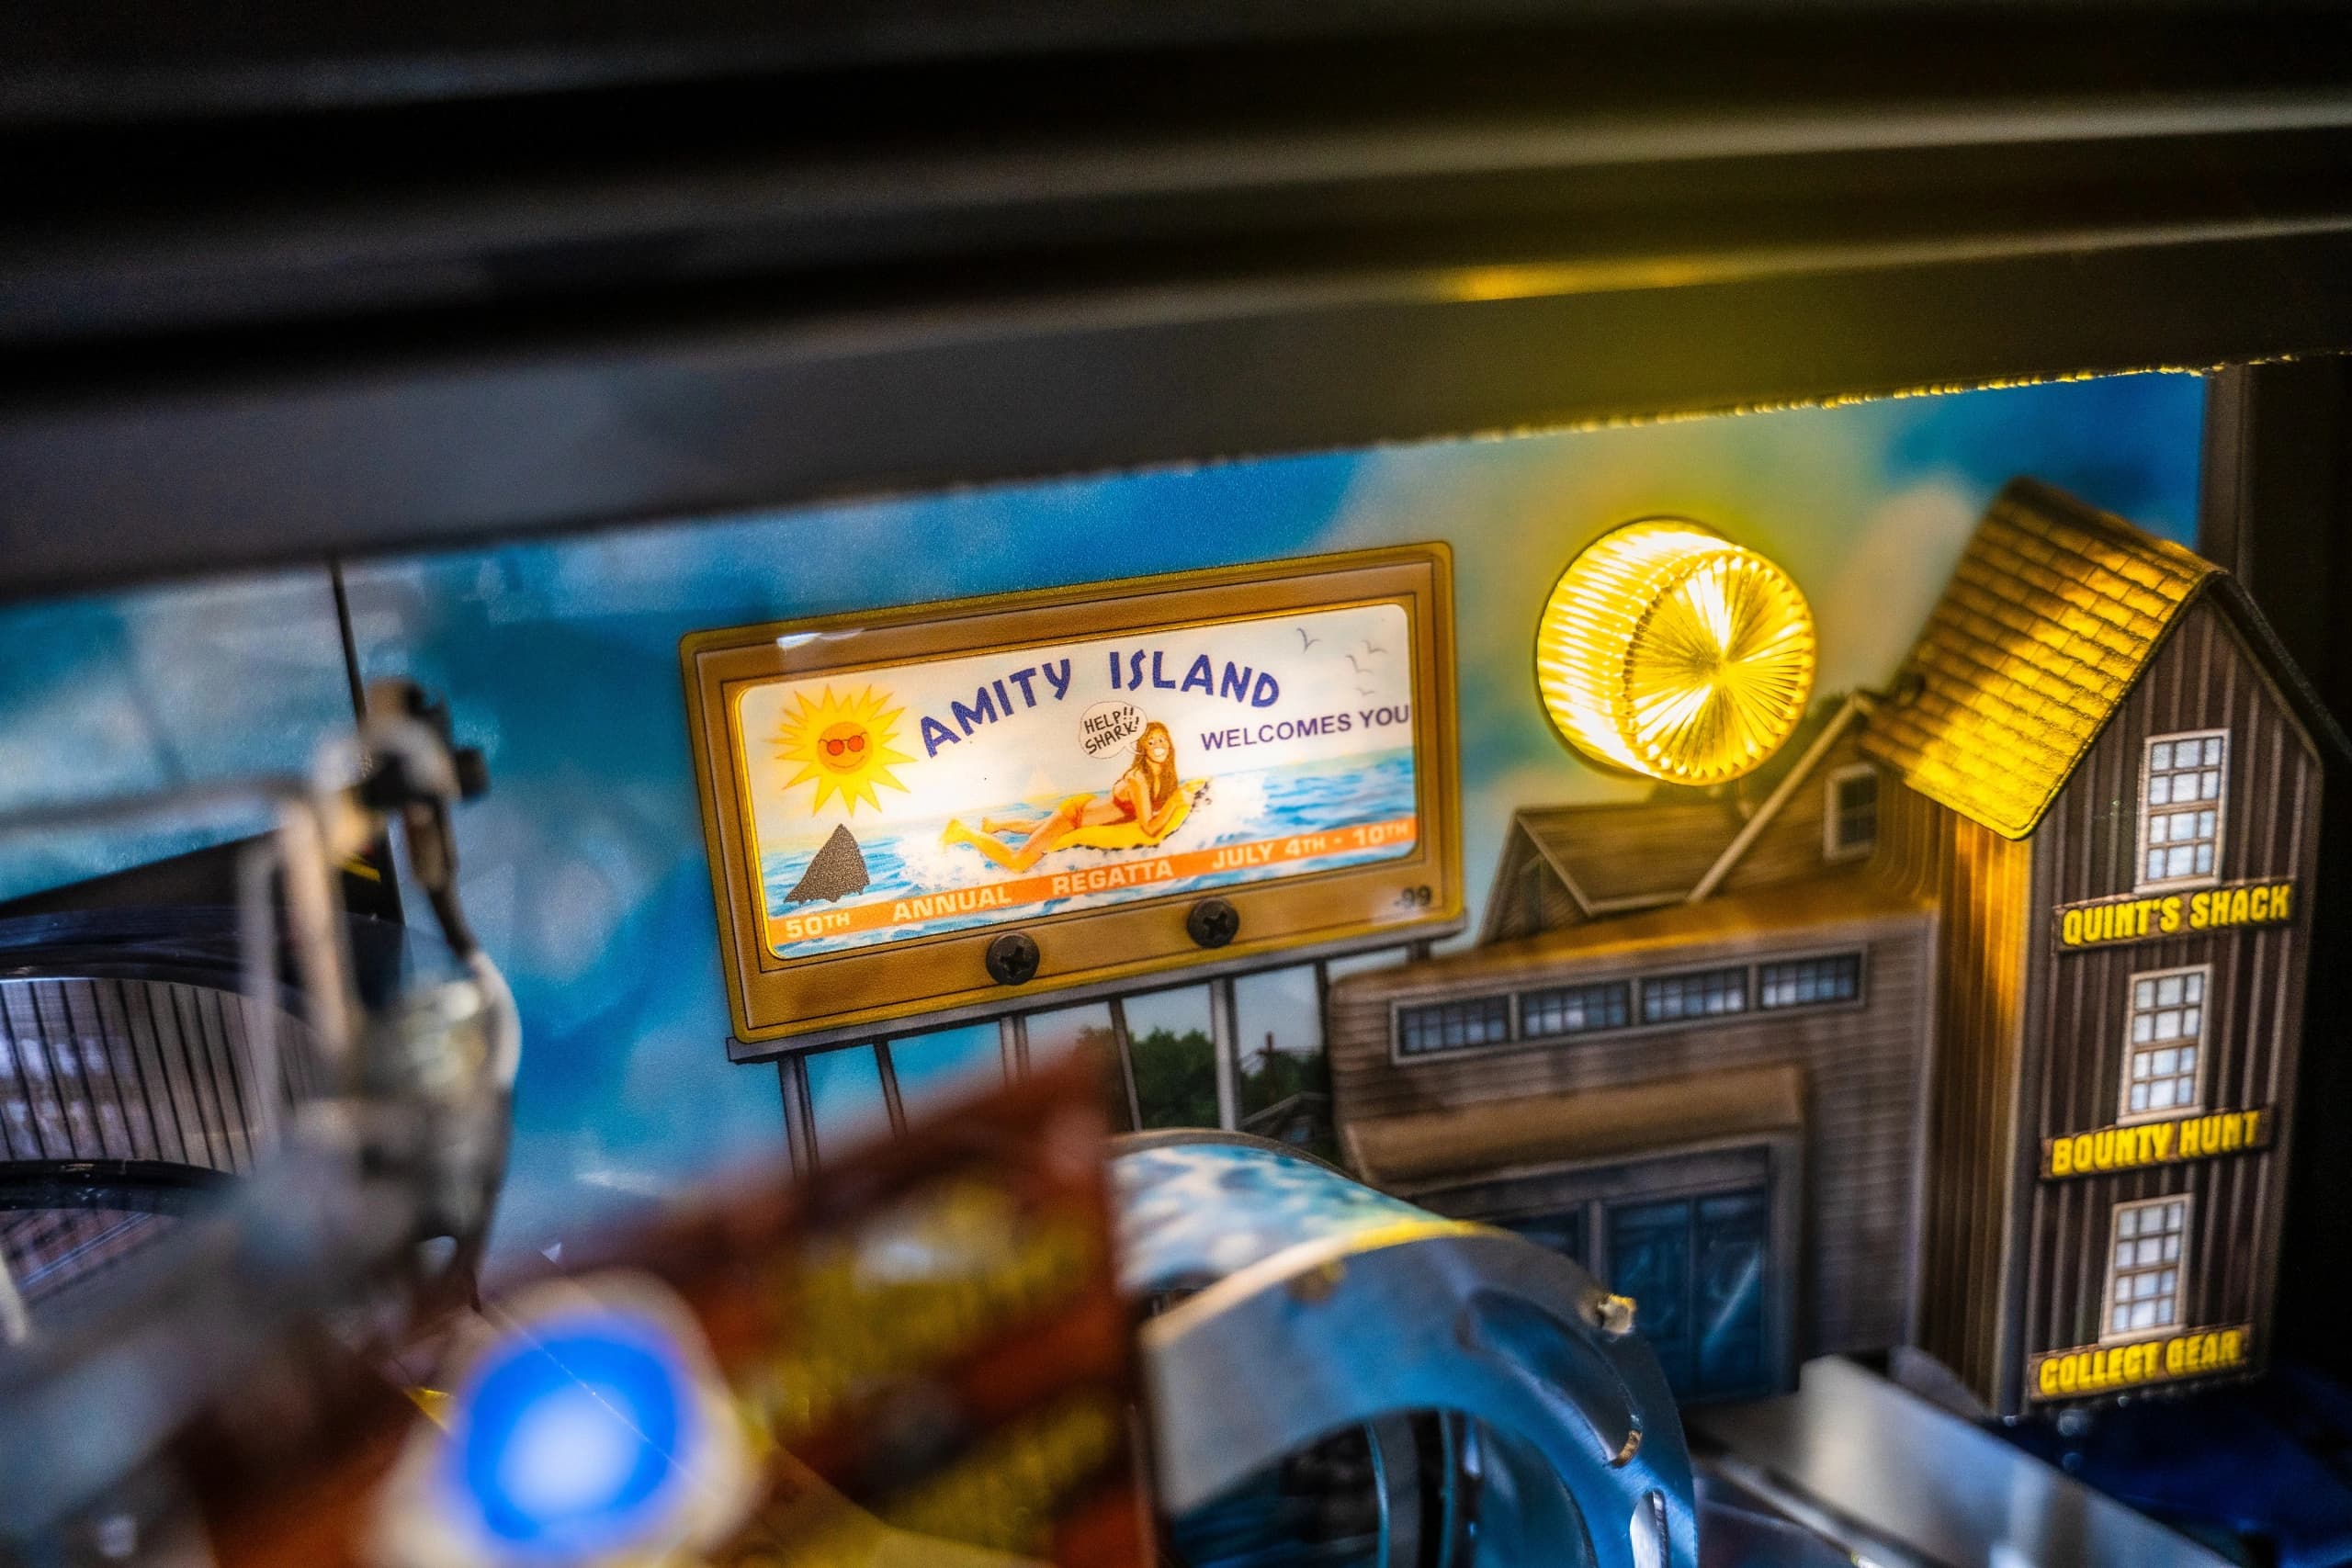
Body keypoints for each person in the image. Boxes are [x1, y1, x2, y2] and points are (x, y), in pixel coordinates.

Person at [944, 721, 1188, 873]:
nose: (1158, 744)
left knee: (1035, 827)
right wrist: (1174, 805)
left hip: (1086, 806)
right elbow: (1149, 828)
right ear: (1143, 747)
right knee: (1018, 863)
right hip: (1076, 815)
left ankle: (994, 825)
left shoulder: (1163, 777)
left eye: (1162, 740)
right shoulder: (1138, 779)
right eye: (1151, 741)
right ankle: (963, 832)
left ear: (1169, 743)